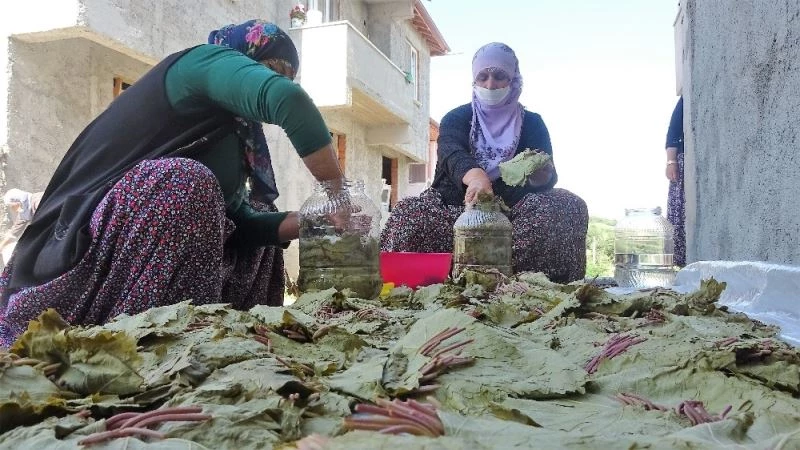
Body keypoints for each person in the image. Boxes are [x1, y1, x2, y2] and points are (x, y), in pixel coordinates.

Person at [0, 20, 344, 347]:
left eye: (287, 76)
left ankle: (224, 338)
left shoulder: (232, 136)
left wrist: (317, 219)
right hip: (86, 243)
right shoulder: (199, 64)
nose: (274, 80)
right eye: (272, 69)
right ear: (243, 59)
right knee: (186, 183)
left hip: (156, 237)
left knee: (254, 208)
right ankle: (141, 340)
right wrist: (336, 191)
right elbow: (288, 100)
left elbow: (240, 223)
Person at [381, 42, 588, 283]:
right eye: (483, 76)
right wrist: (476, 179)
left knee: (568, 206)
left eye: (500, 76)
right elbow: (452, 153)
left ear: (513, 79)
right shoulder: (457, 118)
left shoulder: (532, 123)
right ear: (474, 80)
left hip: (514, 216)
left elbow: (546, 173)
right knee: (410, 213)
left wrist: (541, 175)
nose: (490, 84)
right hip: (454, 213)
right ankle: (433, 281)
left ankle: (523, 285)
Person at [665, 96, 685, 267]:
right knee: (680, 217)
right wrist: (672, 161)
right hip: (684, 165)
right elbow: (673, 132)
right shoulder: (686, 99)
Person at [0, 189, 44, 265]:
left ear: (18, 201)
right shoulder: (24, 211)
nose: (12, 209)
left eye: (11, 206)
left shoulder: (38, 201)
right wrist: (2, 245)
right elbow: (14, 232)